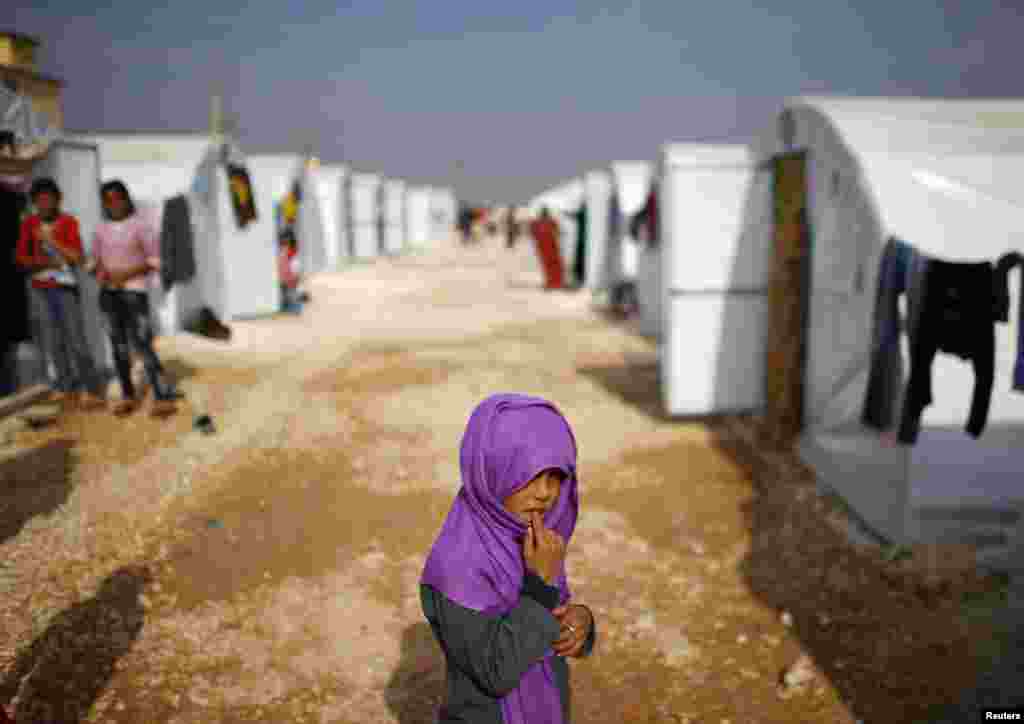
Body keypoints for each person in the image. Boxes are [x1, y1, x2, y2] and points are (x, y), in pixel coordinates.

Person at [420, 393, 597, 724]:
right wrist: (541, 587)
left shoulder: (529, 537)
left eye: (556, 476)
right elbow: (496, 672)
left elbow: (553, 614)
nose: (546, 492)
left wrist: (580, 623)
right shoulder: (456, 567)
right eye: (531, 473)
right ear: (494, 468)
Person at [15, 178, 106, 409]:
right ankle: (66, 387)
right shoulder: (28, 224)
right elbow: (20, 260)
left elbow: (76, 257)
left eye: (49, 198)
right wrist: (46, 263)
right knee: (53, 341)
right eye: (39, 200)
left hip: (65, 288)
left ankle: (92, 389)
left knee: (77, 339)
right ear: (34, 202)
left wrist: (50, 240)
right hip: (40, 289)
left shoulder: (68, 222)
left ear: (58, 199)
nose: (44, 204)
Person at [91, 180, 178, 417]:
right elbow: (95, 261)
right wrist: (102, 275)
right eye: (108, 200)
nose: (114, 204)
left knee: (142, 343)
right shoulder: (100, 230)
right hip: (108, 294)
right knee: (118, 346)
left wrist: (125, 275)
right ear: (104, 204)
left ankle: (162, 395)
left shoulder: (141, 226)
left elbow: (154, 261)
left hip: (134, 292)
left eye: (118, 198)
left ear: (127, 198)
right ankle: (128, 396)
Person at [529, 207, 565, 290]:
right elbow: (557, 232)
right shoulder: (538, 223)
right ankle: (553, 282)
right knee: (550, 264)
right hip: (546, 246)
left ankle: (555, 282)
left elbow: (557, 232)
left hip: (548, 246)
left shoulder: (538, 223)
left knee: (551, 264)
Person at [277, 229, 303, 314]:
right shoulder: (282, 249)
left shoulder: (292, 250)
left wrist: (295, 275)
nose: (286, 240)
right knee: (287, 293)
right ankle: (290, 307)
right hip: (285, 276)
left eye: (287, 238)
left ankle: (295, 307)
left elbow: (294, 263)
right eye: (284, 238)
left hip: (290, 275)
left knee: (292, 292)